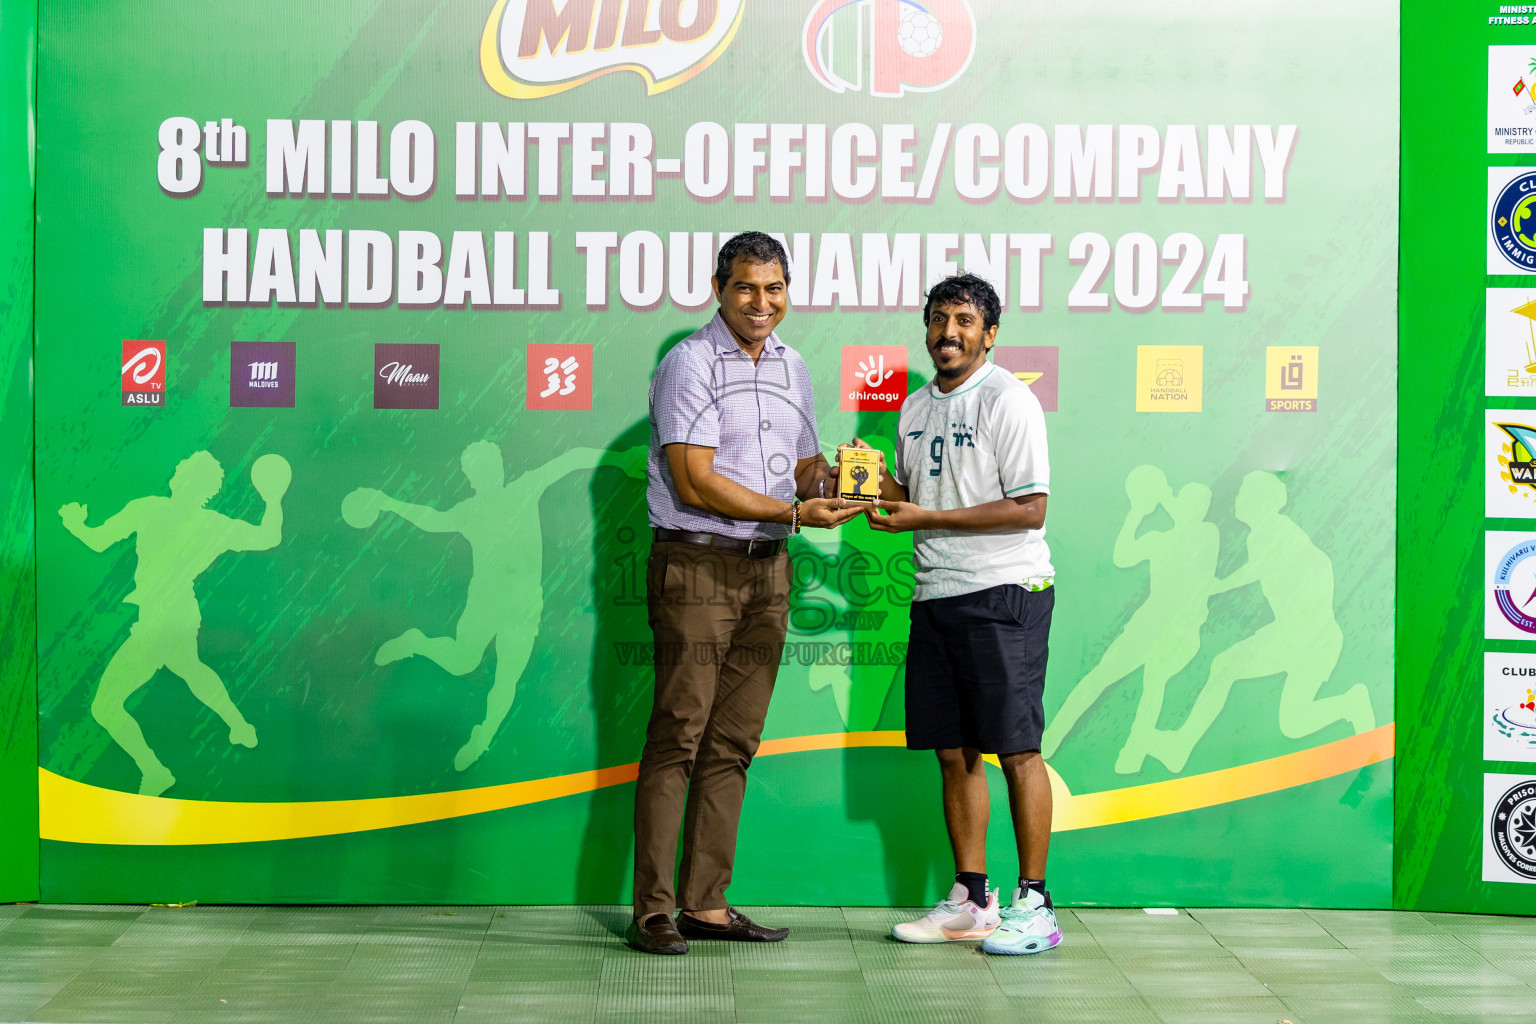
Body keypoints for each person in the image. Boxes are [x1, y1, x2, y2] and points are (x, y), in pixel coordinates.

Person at [629, 231, 860, 955]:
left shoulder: (794, 367)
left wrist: (850, 482)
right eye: (747, 288)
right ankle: (653, 912)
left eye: (774, 288)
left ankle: (706, 904)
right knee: (680, 734)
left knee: (733, 742)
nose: (762, 303)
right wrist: (795, 513)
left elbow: (802, 469)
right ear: (719, 288)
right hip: (698, 565)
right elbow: (695, 480)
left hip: (768, 569)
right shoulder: (689, 363)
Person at [853, 272, 1061, 955]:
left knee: (1018, 749)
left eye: (965, 321)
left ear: (989, 333)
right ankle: (972, 898)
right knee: (954, 752)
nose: (949, 332)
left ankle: (1036, 904)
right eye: (940, 319)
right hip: (936, 594)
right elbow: (914, 496)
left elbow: (1030, 507)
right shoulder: (913, 409)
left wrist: (927, 513)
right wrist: (868, 485)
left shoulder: (1009, 400)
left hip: (1005, 592)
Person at [341, 441, 647, 771]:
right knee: (462, 662)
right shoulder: (469, 511)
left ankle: (482, 738)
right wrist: (387, 503)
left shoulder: (524, 488)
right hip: (484, 603)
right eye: (480, 469)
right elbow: (432, 519)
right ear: (472, 476)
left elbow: (570, 460)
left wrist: (619, 460)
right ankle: (417, 643)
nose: (489, 472)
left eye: (492, 464)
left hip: (524, 607)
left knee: (506, 680)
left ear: (500, 466)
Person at [58, 450, 290, 797]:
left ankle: (155, 771)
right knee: (189, 668)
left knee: (105, 706)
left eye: (182, 467)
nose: (176, 468)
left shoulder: (153, 508)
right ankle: (238, 726)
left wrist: (74, 523)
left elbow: (97, 538)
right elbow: (268, 536)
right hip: (177, 615)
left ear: (188, 479)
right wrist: (273, 500)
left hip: (161, 620)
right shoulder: (207, 524)